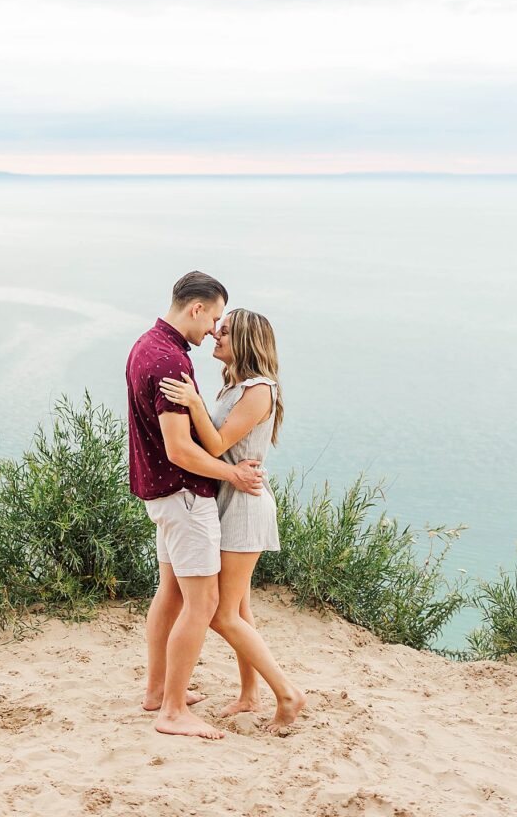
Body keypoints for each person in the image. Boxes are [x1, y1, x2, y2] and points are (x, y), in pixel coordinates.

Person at [126, 271, 264, 740]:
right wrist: (233, 474)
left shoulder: (147, 346)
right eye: (215, 318)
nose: (214, 331)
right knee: (203, 601)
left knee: (173, 593)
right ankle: (171, 711)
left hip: (163, 497)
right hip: (184, 495)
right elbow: (180, 451)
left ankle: (157, 690)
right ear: (197, 308)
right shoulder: (168, 362)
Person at [159, 307, 306, 733]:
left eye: (224, 331)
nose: (214, 335)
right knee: (239, 607)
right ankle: (249, 694)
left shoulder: (259, 390)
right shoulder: (234, 387)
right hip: (228, 496)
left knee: (222, 614)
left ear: (245, 340)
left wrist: (192, 403)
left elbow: (219, 441)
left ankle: (287, 693)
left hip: (244, 505)